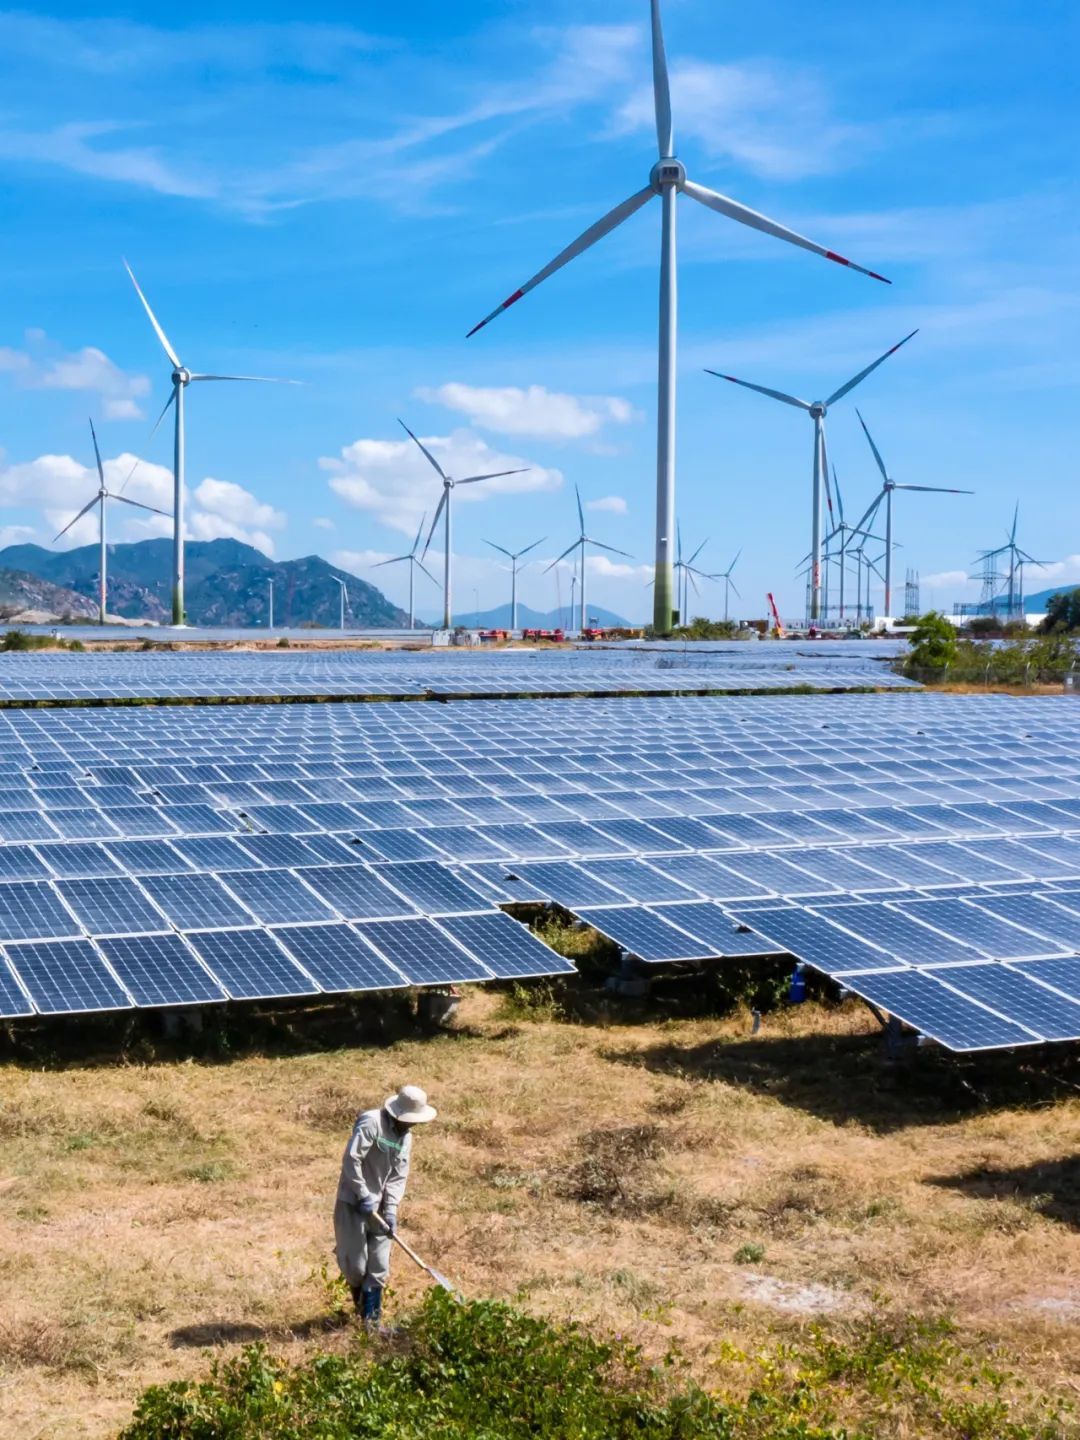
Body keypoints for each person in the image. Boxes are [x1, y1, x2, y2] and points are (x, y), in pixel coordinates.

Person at [333, 1083, 437, 1327]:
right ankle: (359, 1310)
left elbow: (398, 1175)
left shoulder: (406, 1138)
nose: (413, 1125)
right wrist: (362, 1193)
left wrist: (390, 1210)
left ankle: (371, 1323)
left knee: (379, 1267)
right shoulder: (371, 1123)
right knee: (356, 1267)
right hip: (353, 1202)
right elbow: (352, 1159)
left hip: (379, 1208)